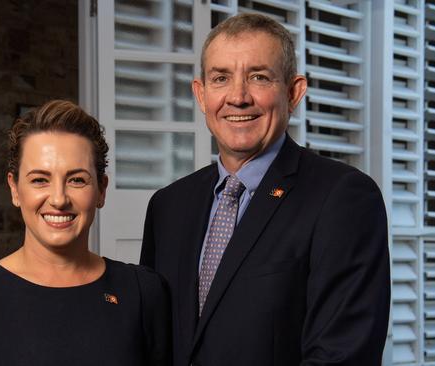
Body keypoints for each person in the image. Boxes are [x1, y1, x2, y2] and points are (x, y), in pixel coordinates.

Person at [140, 13, 390, 366]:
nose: (238, 97)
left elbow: (343, 355)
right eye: (221, 78)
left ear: (293, 92)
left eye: (258, 77)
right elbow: (152, 342)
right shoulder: (168, 206)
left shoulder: (344, 199)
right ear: (201, 94)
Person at [0, 100, 171, 366]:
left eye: (77, 180)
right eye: (39, 180)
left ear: (101, 190)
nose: (58, 199)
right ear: (14, 188)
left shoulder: (143, 292)